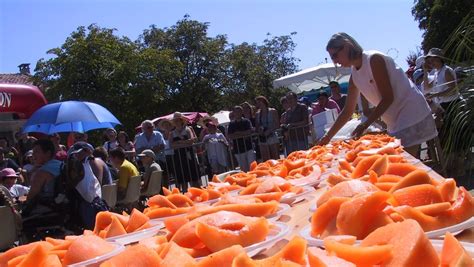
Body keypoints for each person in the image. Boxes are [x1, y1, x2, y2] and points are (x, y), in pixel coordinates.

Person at [320, 32, 437, 157]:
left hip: (411, 113)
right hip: (395, 121)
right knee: (403, 163)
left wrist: (365, 124)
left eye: (335, 55)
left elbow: (388, 98)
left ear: (347, 46)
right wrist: (327, 137)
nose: (335, 61)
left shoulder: (374, 59)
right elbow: (347, 111)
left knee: (405, 163)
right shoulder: (354, 76)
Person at [68, 142, 108, 228]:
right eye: (77, 153)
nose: (79, 154)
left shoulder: (91, 162)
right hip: (86, 203)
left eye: (83, 151)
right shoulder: (75, 165)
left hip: (95, 201)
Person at [24, 139, 62, 215]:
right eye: (33, 152)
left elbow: (30, 197)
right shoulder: (61, 164)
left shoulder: (42, 172)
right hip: (64, 205)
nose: (33, 155)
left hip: (48, 209)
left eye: (36, 151)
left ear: (48, 153)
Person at [170, 112, 200, 191]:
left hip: (189, 154)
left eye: (178, 120)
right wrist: (184, 142)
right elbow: (171, 145)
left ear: (181, 120)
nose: (177, 122)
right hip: (179, 156)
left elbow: (191, 141)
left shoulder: (188, 129)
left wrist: (178, 143)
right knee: (183, 177)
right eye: (175, 121)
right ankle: (185, 194)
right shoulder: (172, 133)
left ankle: (196, 192)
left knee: (193, 176)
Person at [227, 106, 255, 172]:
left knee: (252, 166)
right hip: (238, 149)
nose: (237, 113)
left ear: (242, 112)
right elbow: (230, 135)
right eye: (236, 112)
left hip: (249, 147)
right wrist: (243, 134)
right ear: (234, 113)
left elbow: (249, 131)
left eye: (239, 111)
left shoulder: (246, 121)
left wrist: (238, 133)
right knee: (244, 169)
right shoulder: (231, 124)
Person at [255, 96, 280, 160]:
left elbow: (277, 124)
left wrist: (269, 130)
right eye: (257, 103)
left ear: (264, 102)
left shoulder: (273, 111)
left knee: (275, 157)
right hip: (262, 138)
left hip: (272, 136)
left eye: (259, 102)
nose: (258, 104)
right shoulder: (257, 114)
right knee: (266, 159)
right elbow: (257, 126)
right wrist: (259, 130)